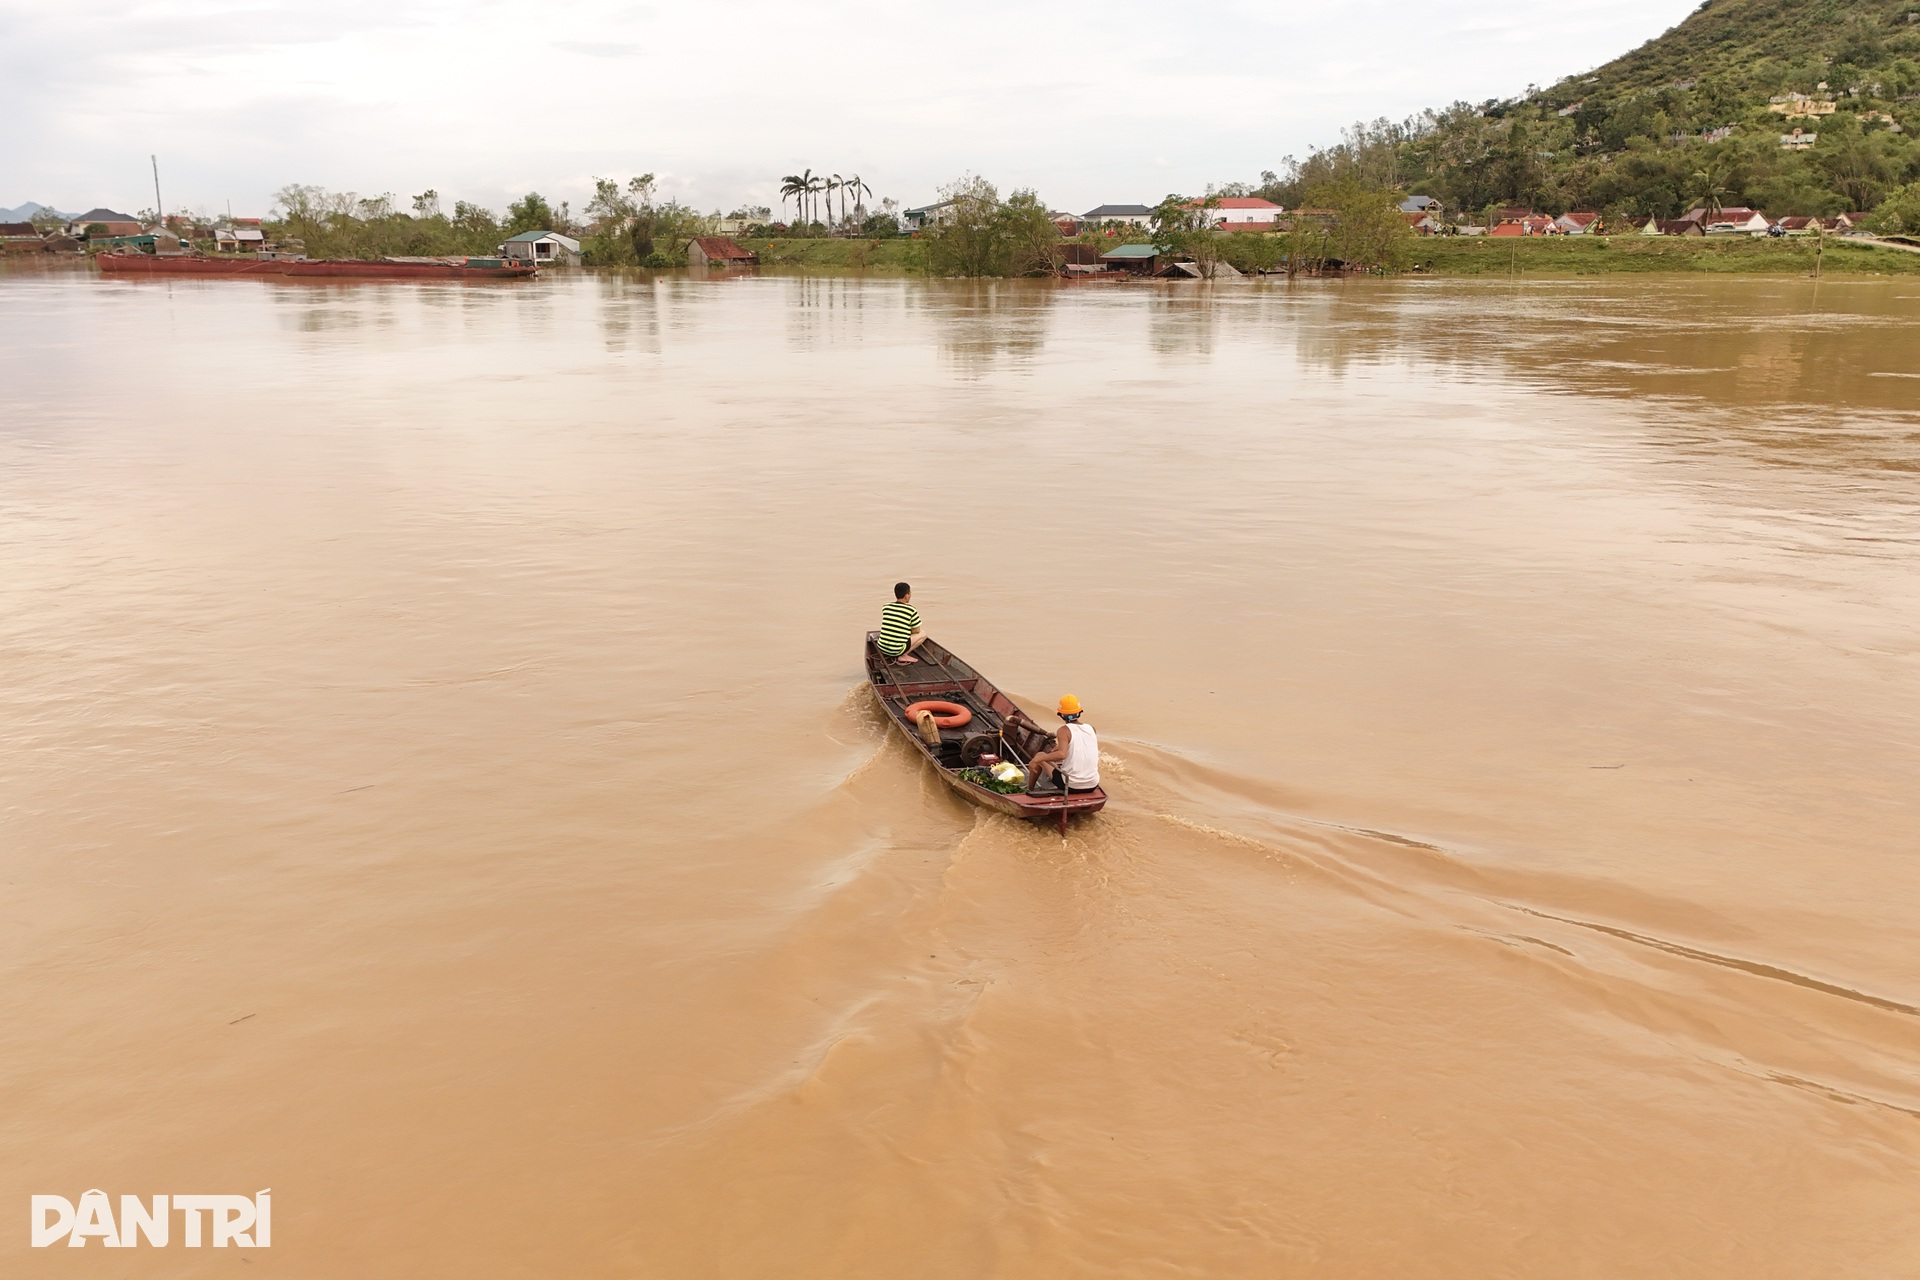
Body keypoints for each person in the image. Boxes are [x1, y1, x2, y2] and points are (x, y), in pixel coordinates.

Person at [1021, 695, 1099, 793]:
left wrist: (1036, 759)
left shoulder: (1063, 730)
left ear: (1061, 714)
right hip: (1092, 783)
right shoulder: (1091, 728)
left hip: (1070, 785)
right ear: (1079, 712)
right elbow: (1082, 744)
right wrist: (1059, 747)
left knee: (1040, 755)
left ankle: (1030, 790)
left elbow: (1062, 755)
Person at [876, 582, 927, 665]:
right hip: (896, 651)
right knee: (923, 634)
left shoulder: (886, 606)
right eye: (910, 594)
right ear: (907, 596)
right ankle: (903, 655)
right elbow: (916, 631)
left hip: (882, 647)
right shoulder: (911, 610)